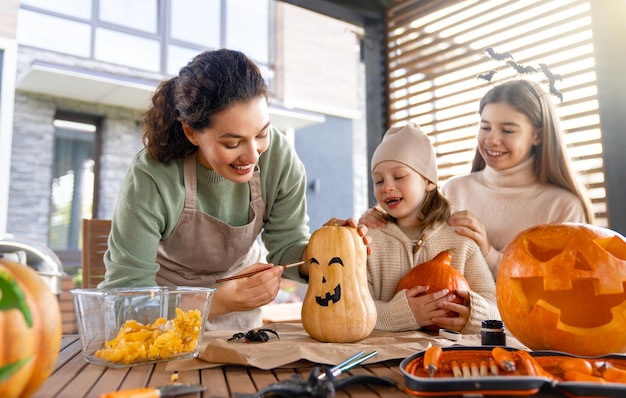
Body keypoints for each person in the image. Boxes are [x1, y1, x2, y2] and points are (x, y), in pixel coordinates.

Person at [100, 49, 368, 330]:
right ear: (191, 132)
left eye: (262, 134)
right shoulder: (151, 176)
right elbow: (125, 298)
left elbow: (287, 247)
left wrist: (328, 248)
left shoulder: (278, 159)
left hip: (240, 320)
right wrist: (220, 301)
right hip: (161, 317)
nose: (253, 155)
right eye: (232, 143)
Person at [362, 80, 594, 279]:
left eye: (508, 130)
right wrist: (376, 225)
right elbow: (411, 252)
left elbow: (560, 285)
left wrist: (488, 253)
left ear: (538, 135)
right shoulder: (454, 190)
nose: (492, 140)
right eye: (485, 127)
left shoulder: (563, 206)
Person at [366, 123, 500, 334]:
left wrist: (472, 316)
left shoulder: (461, 239)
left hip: (446, 358)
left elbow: (495, 306)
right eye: (378, 180)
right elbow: (355, 307)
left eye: (399, 176)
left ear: (428, 181)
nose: (386, 187)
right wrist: (398, 314)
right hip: (382, 357)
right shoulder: (370, 241)